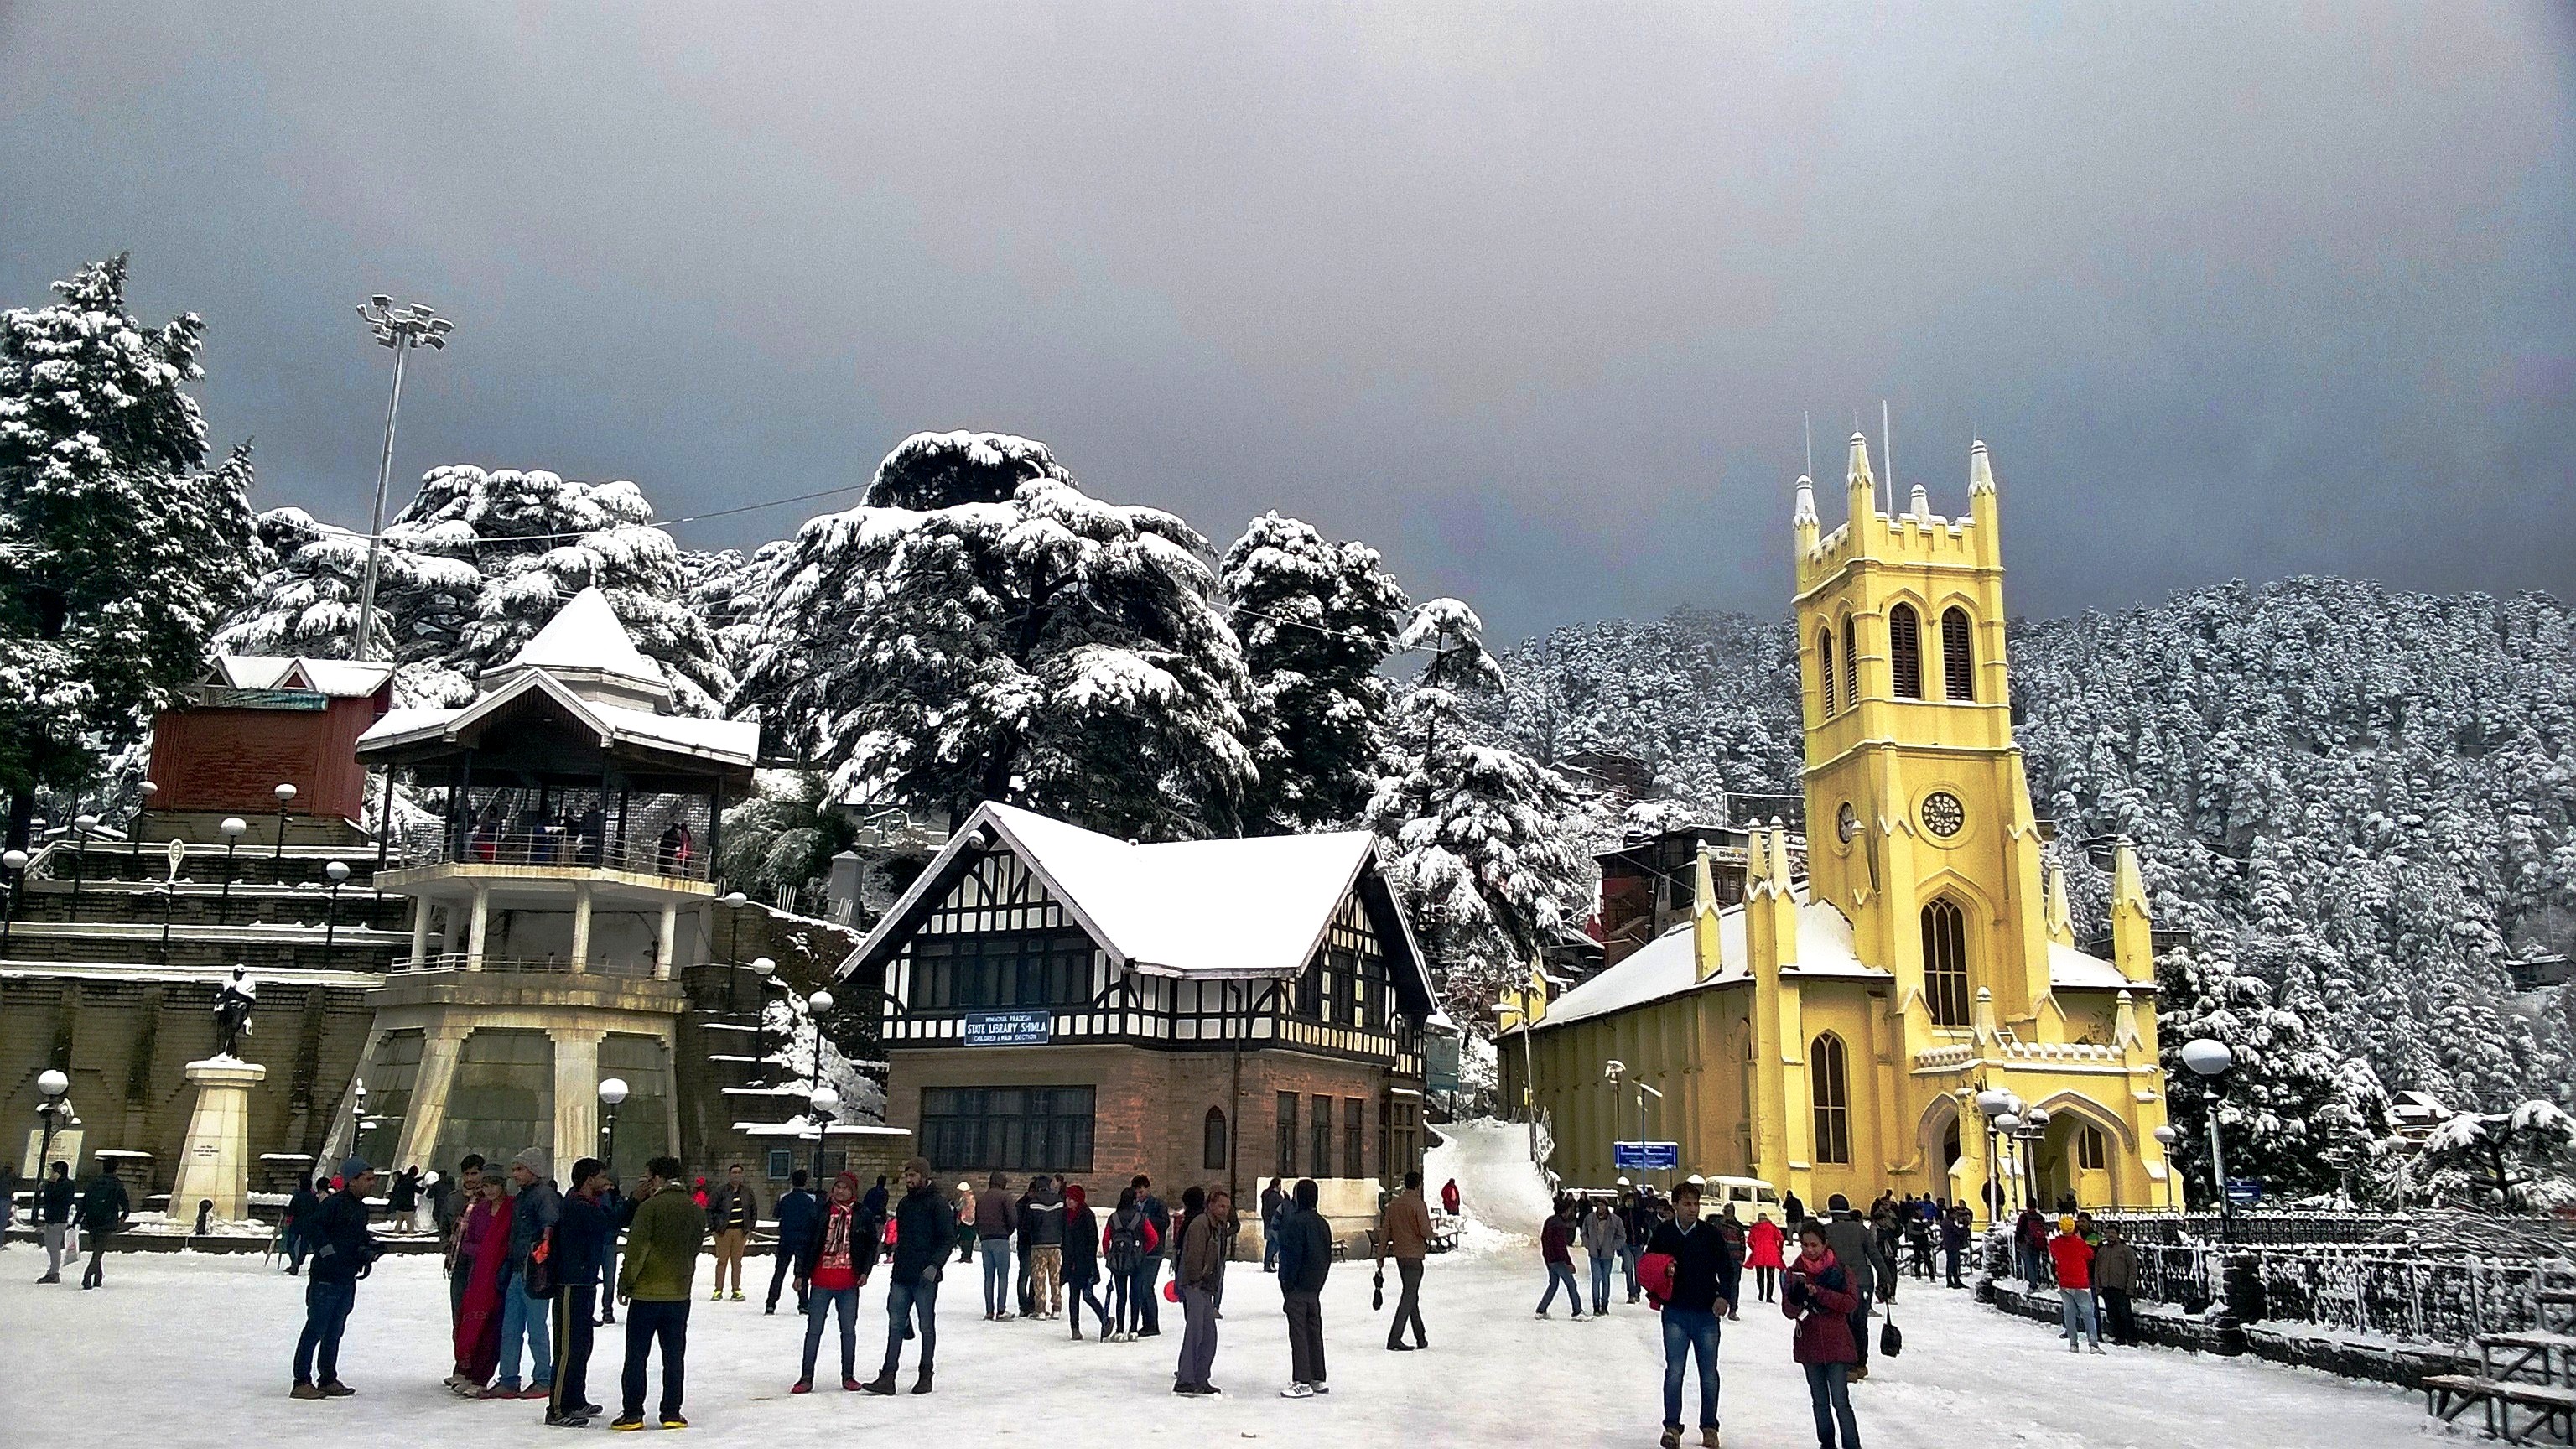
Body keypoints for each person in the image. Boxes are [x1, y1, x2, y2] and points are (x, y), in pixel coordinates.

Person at [615, 1155, 706, 1431]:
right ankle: (671, 1412)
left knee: (636, 1356)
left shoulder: (649, 1208)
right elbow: (695, 1247)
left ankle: (632, 1413)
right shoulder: (694, 1210)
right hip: (679, 1293)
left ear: (657, 1178)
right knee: (674, 1356)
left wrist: (625, 1283)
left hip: (646, 1294)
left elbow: (636, 1251)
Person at [1643, 1179, 1727, 1449]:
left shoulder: (1709, 1234)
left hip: (1705, 1313)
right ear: (1676, 1205)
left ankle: (1709, 1427)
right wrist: (1662, 1271)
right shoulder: (1664, 1233)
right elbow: (1647, 1265)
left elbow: (1727, 1267)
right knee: (1674, 1372)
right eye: (1687, 1204)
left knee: (1709, 1374)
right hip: (1676, 1312)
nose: (1693, 1209)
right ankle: (1672, 1427)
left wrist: (1725, 1296)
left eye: (1696, 1204)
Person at [291, 1156, 380, 1399]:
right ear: (352, 1180)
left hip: (346, 1277)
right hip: (326, 1278)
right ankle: (301, 1381)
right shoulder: (334, 1204)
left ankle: (327, 1377)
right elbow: (313, 1227)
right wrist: (326, 1250)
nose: (373, 1183)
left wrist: (370, 1246)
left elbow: (355, 1235)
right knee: (316, 1328)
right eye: (368, 1178)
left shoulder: (360, 1208)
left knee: (335, 1330)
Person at [864, 1156, 943, 1396]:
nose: (909, 1179)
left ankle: (925, 1374)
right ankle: (888, 1375)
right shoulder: (905, 1204)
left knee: (926, 1326)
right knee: (895, 1323)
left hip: (925, 1276)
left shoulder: (937, 1204)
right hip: (902, 1273)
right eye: (907, 1175)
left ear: (924, 1176)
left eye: (913, 1175)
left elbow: (947, 1239)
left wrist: (935, 1265)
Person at [487, 1146, 562, 1400]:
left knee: (536, 1328)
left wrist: (541, 1260)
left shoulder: (543, 1196)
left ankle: (543, 1378)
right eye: (514, 1169)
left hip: (533, 1271)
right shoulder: (524, 1197)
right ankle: (509, 1377)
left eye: (520, 1169)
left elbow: (549, 1229)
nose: (515, 1174)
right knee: (511, 1327)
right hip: (519, 1269)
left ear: (534, 1170)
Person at [792, 1171, 875, 1394]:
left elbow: (870, 1246)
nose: (840, 1191)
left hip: (849, 1282)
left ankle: (848, 1375)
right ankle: (806, 1376)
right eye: (837, 1187)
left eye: (845, 1188)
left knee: (848, 1331)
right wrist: (800, 1273)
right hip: (821, 1280)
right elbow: (805, 1243)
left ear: (853, 1191)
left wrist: (865, 1271)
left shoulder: (862, 1214)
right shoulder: (819, 1212)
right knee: (813, 1330)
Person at [1785, 1219, 1863, 1449]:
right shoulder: (1795, 1272)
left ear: (1825, 1244)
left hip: (1837, 1343)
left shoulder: (1840, 1270)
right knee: (1819, 1401)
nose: (1809, 1250)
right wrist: (1796, 1296)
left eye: (1814, 1245)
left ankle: (1852, 1445)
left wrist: (1820, 1293)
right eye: (1805, 1245)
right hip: (1809, 1345)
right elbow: (1789, 1311)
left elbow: (1850, 1303)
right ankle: (1826, 1443)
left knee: (1840, 1401)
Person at [548, 1158, 613, 1427]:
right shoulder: (577, 1206)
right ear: (589, 1179)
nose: (605, 1181)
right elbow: (607, 1224)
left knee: (581, 1345)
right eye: (601, 1177)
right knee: (566, 1349)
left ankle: (576, 1398)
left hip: (584, 1283)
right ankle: (558, 1407)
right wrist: (626, 1200)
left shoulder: (586, 1204)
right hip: (571, 1285)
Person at [449, 1175, 512, 1394]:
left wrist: (497, 1255)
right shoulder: (480, 1211)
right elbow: (467, 1243)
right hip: (479, 1276)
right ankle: (468, 1371)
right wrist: (485, 1252)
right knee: (471, 1323)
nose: (489, 1190)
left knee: (492, 1327)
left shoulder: (510, 1208)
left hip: (501, 1274)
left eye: (493, 1185)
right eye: (486, 1186)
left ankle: (482, 1376)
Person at [1275, 1177, 1332, 1398]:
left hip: (1298, 1286)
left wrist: (1287, 1284)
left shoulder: (1296, 1223)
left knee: (1298, 1332)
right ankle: (1318, 1376)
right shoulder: (1322, 1224)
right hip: (1315, 1286)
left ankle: (1302, 1379)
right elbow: (1326, 1256)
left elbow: (1291, 1257)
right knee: (1314, 1331)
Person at [1174, 1185, 1233, 1395]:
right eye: (1221, 1206)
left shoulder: (1217, 1226)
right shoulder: (1201, 1225)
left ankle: (1200, 1377)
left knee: (1208, 1335)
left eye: (1227, 1207)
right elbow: (1193, 1257)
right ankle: (1186, 1379)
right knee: (1196, 1333)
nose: (1225, 1210)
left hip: (1205, 1287)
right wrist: (1197, 1280)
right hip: (1196, 1286)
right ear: (1211, 1205)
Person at [1820, 1195, 1880, 1379]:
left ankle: (1848, 1365)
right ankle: (1861, 1364)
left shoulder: (1826, 1232)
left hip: (1839, 1283)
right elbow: (1875, 1255)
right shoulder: (1860, 1229)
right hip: (1863, 1282)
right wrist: (1886, 1280)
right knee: (1861, 1324)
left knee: (1843, 1323)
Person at [1376, 1168, 1433, 1350]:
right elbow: (1425, 1230)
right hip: (1415, 1256)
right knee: (1408, 1295)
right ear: (1417, 1186)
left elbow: (1385, 1232)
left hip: (1400, 1256)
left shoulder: (1394, 1205)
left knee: (1411, 1294)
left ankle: (1421, 1337)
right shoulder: (1418, 1205)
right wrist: (1432, 1235)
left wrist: (1381, 1255)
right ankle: (1394, 1338)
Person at [1104, 1185, 1159, 1340]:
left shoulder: (1113, 1218)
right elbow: (1153, 1238)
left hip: (1119, 1261)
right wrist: (1143, 1251)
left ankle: (1120, 1329)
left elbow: (1106, 1239)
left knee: (1121, 1295)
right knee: (1135, 1294)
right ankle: (1133, 1329)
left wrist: (1110, 1256)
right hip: (1137, 1261)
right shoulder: (1140, 1218)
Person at [766, 1169, 820, 1316]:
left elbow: (776, 1214)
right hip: (803, 1240)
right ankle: (803, 1303)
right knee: (802, 1273)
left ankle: (771, 1303)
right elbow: (815, 1218)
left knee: (779, 1272)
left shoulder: (785, 1198)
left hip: (786, 1239)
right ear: (806, 1182)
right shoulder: (811, 1199)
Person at [2048, 1214, 2102, 1353]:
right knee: (2088, 1314)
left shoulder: (2055, 1243)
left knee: (2069, 1314)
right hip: (2080, 1282)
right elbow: (2090, 1255)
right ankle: (2093, 1344)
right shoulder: (2079, 1243)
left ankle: (2073, 1344)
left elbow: (2054, 1254)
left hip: (2064, 1283)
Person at [1062, 1182, 1108, 1339]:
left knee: (1087, 1295)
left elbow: (1093, 1240)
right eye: (1067, 1198)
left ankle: (1105, 1319)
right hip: (1070, 1261)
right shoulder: (1066, 1215)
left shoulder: (1087, 1215)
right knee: (1073, 1296)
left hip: (1084, 1262)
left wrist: (1090, 1262)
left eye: (1072, 1199)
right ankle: (1074, 1328)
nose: (1068, 1201)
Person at [971, 1170, 1018, 1320]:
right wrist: (1007, 1232)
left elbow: (976, 1220)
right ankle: (1001, 1309)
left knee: (988, 1277)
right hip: (1001, 1238)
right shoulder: (1005, 1197)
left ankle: (989, 1310)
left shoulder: (982, 1199)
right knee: (1002, 1276)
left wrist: (982, 1235)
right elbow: (1013, 1218)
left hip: (986, 1240)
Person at [705, 1162, 755, 1303]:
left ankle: (736, 1289)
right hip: (723, 1232)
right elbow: (710, 1209)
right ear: (729, 1174)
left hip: (741, 1232)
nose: (736, 1175)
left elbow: (753, 1210)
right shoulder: (720, 1191)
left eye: (739, 1173)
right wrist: (713, 1229)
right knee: (722, 1261)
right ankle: (718, 1290)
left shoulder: (747, 1192)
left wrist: (749, 1228)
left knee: (737, 1261)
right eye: (734, 1172)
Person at [76, 1161, 130, 1288]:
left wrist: (77, 1219)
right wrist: (124, 1215)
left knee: (97, 1249)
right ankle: (87, 1276)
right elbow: (125, 1203)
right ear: (115, 1169)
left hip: (91, 1220)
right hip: (107, 1221)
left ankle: (98, 1278)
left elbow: (84, 1202)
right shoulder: (116, 1184)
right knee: (99, 1251)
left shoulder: (93, 1183)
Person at [1022, 1172, 1066, 1319]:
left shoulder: (1033, 1204)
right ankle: (1057, 1308)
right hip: (1055, 1245)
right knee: (1055, 1277)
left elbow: (1027, 1226)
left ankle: (1040, 1309)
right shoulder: (1060, 1202)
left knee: (1039, 1278)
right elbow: (1063, 1223)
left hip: (1038, 1245)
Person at [1536, 1195, 1586, 1319]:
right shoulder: (1560, 1225)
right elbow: (1561, 1247)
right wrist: (1568, 1262)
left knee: (1553, 1284)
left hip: (1549, 1259)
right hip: (1558, 1260)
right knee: (1571, 1284)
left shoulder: (1549, 1221)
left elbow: (1543, 1238)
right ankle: (1577, 1311)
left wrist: (1546, 1254)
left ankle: (1541, 1310)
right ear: (1565, 1211)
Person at [1133, 1173, 1171, 1335]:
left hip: (1154, 1251)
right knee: (1141, 1288)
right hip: (1140, 1251)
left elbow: (1165, 1223)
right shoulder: (1134, 1205)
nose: (1139, 1196)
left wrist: (1147, 1220)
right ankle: (1146, 1322)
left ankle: (1152, 1324)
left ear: (1148, 1189)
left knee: (1147, 1287)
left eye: (1141, 1192)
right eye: (1137, 1193)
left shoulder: (1157, 1205)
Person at [2093, 1222, 2139, 1347]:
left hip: (2121, 1288)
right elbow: (2097, 1269)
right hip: (2107, 1288)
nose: (2110, 1236)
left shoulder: (2126, 1250)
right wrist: (2098, 1287)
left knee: (2125, 1315)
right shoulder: (2102, 1251)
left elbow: (2133, 1270)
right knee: (2112, 1315)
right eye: (2107, 1233)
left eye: (2112, 1233)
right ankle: (2119, 1337)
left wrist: (2130, 1288)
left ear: (2118, 1235)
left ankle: (2131, 1338)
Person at [1583, 1197, 1627, 1316]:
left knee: (1606, 1280)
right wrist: (1588, 1244)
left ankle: (1605, 1305)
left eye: (1603, 1205)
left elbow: (1622, 1236)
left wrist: (1613, 1246)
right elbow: (1584, 1233)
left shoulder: (1615, 1220)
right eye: (1598, 1205)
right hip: (1594, 1253)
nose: (1600, 1208)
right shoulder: (1590, 1218)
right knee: (1596, 1279)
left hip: (1607, 1254)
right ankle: (1596, 1306)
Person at [283, 1173, 321, 1275]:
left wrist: (285, 1212)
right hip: (309, 1224)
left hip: (297, 1223)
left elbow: (291, 1210)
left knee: (290, 1244)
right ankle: (298, 1263)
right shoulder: (314, 1198)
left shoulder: (297, 1197)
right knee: (304, 1246)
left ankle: (294, 1262)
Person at [1748, 1210, 1785, 1303]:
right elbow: (1781, 1239)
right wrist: (1780, 1249)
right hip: (1771, 1253)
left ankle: (1761, 1293)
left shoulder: (1754, 1229)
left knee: (1760, 1276)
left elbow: (1749, 1241)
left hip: (1759, 1253)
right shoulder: (1772, 1228)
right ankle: (1769, 1296)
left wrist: (1754, 1249)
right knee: (1770, 1276)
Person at [1940, 1203, 1971, 1290]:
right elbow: (1956, 1231)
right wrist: (1964, 1230)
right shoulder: (1948, 1223)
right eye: (1954, 1214)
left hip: (1953, 1244)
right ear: (1951, 1214)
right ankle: (1950, 1281)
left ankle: (1956, 1280)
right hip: (1951, 1244)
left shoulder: (1949, 1222)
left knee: (1954, 1263)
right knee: (1951, 1263)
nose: (1956, 1216)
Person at [1259, 1177, 1286, 1273]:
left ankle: (1269, 1262)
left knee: (1271, 1243)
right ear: (1276, 1186)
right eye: (1280, 1185)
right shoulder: (1275, 1197)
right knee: (1275, 1244)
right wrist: (1286, 1199)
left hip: (1267, 1222)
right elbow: (1283, 1207)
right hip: (1274, 1223)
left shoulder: (1266, 1195)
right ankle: (1268, 1263)